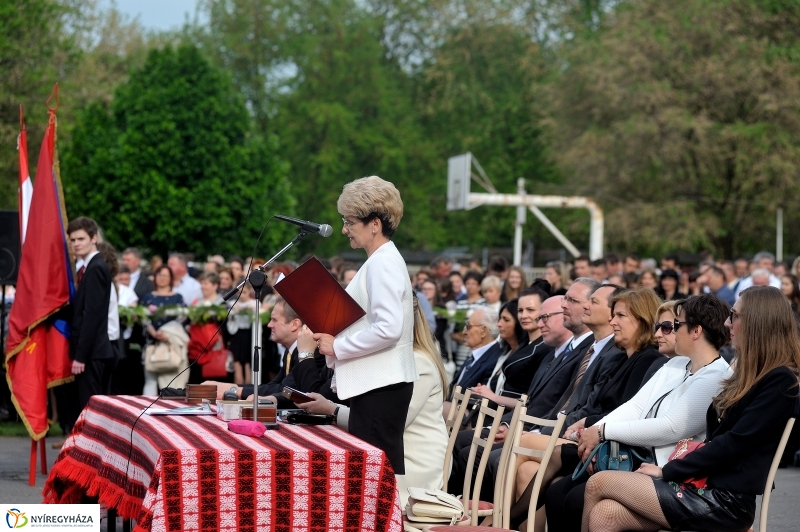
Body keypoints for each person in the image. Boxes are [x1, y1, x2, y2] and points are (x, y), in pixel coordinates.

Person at [581, 286, 800, 532]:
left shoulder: (780, 380)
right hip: (702, 486)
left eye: (734, 316)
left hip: (724, 500)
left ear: (757, 322)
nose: (727, 323)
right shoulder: (747, 373)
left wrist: (668, 471)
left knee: (598, 483)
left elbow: (733, 443)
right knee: (604, 514)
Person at [544, 294, 733, 532]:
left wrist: (603, 432)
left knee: (576, 500)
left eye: (677, 324)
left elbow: (671, 428)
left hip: (671, 473)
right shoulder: (676, 364)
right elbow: (635, 407)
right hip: (638, 459)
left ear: (696, 331)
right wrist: (596, 432)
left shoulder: (716, 376)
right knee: (558, 492)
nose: (672, 331)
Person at [302, 176, 417, 475]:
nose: (344, 229)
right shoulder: (381, 260)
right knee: (369, 478)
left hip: (382, 385)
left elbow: (389, 328)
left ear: (374, 224)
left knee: (372, 479)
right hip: (378, 383)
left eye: (350, 221)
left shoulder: (382, 262)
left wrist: (337, 346)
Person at [299, 292, 448, 506]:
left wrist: (332, 409)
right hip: (391, 454)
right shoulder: (396, 359)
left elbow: (388, 423)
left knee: (327, 485)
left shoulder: (417, 362)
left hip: (412, 467)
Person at [67, 217, 116, 411]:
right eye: (73, 240)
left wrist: (80, 356)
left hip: (92, 353)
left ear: (94, 238)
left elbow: (91, 316)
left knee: (91, 410)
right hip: (92, 352)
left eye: (81, 239)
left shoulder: (96, 268)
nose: (76, 244)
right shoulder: (90, 267)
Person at [141, 265, 186, 394]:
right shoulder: (148, 297)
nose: (162, 278)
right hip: (152, 342)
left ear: (171, 278)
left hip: (171, 343)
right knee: (150, 381)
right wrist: (154, 333)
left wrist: (167, 333)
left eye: (165, 275)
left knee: (171, 383)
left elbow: (182, 318)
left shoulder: (178, 297)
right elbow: (143, 318)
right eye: (159, 275)